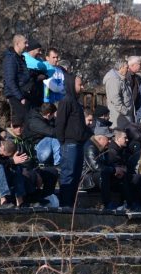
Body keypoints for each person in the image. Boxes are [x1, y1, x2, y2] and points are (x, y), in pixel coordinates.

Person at [55, 71, 89, 207]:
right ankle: (65, 204)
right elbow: (60, 123)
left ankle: (72, 204)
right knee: (68, 174)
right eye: (80, 85)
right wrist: (63, 140)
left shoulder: (76, 102)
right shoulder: (66, 101)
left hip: (78, 144)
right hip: (69, 144)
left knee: (76, 175)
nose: (82, 88)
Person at [83, 128, 128, 210]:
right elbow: (96, 167)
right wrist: (113, 170)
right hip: (87, 178)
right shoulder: (90, 147)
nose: (110, 141)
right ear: (100, 138)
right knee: (104, 174)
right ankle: (108, 204)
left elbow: (107, 164)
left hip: (97, 175)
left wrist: (116, 170)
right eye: (108, 139)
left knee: (122, 176)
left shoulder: (103, 148)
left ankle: (128, 202)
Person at [3, 34, 30, 124]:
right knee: (21, 122)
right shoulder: (11, 59)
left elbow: (23, 75)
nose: (27, 45)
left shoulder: (20, 58)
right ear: (17, 44)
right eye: (25, 43)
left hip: (22, 93)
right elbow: (10, 81)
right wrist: (20, 97)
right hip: (16, 96)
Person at [103, 59, 133, 128]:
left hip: (125, 117)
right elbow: (115, 99)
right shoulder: (114, 80)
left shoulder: (122, 79)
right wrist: (125, 111)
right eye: (126, 67)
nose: (128, 70)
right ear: (120, 68)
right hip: (119, 118)